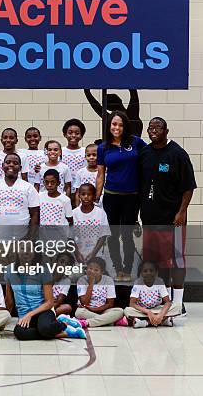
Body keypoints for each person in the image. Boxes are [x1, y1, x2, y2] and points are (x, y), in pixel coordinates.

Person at [139, 117, 196, 313]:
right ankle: (164, 301)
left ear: (166, 130)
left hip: (173, 219)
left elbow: (189, 187)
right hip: (150, 219)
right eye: (151, 127)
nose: (153, 130)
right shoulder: (145, 153)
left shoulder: (178, 154)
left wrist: (181, 212)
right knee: (155, 260)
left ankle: (179, 303)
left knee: (177, 259)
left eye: (158, 127)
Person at [96, 111, 147, 282]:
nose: (116, 128)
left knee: (126, 235)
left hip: (132, 197)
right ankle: (118, 269)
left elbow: (150, 158)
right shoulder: (103, 147)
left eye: (120, 125)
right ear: (109, 125)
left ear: (125, 126)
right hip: (111, 196)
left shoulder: (136, 142)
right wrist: (96, 197)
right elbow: (100, 174)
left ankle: (127, 268)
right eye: (113, 124)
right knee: (113, 235)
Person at [5, 250, 86, 340]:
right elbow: (9, 300)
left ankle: (63, 325)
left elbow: (51, 302)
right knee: (19, 332)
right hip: (30, 313)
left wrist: (31, 314)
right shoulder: (11, 271)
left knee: (45, 327)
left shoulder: (44, 272)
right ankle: (62, 332)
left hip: (44, 310)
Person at [0, 153, 39, 241]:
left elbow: (35, 214)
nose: (11, 165)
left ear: (20, 168)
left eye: (15, 163)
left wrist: (30, 238)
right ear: (2, 166)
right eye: (8, 162)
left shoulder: (28, 187)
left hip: (22, 240)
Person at [124, 261, 180, 328]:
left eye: (151, 271)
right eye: (145, 271)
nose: (148, 273)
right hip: (143, 311)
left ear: (156, 272)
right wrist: (148, 312)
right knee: (127, 310)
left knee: (178, 307)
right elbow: (132, 304)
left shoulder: (159, 282)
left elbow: (167, 302)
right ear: (141, 273)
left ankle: (145, 322)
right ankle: (163, 321)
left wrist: (161, 315)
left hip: (157, 309)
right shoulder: (138, 283)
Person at [75, 257, 126, 328]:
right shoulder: (82, 280)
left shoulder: (108, 280)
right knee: (79, 312)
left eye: (96, 270)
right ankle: (110, 321)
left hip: (103, 310)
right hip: (86, 310)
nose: (92, 271)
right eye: (90, 268)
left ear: (102, 272)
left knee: (120, 311)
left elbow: (110, 304)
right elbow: (84, 303)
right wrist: (91, 283)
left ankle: (87, 322)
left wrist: (94, 309)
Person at [73, 184, 110, 263]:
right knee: (76, 275)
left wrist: (93, 253)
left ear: (94, 196)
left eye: (89, 194)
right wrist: (77, 254)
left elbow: (103, 236)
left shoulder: (101, 213)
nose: (86, 197)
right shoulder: (73, 213)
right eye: (83, 194)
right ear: (79, 195)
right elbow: (70, 237)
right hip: (77, 256)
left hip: (97, 255)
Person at [61, 119, 87, 203]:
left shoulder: (86, 151)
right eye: (70, 132)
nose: (73, 135)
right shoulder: (59, 151)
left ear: (82, 136)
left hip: (81, 192)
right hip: (63, 191)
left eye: (77, 133)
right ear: (65, 134)